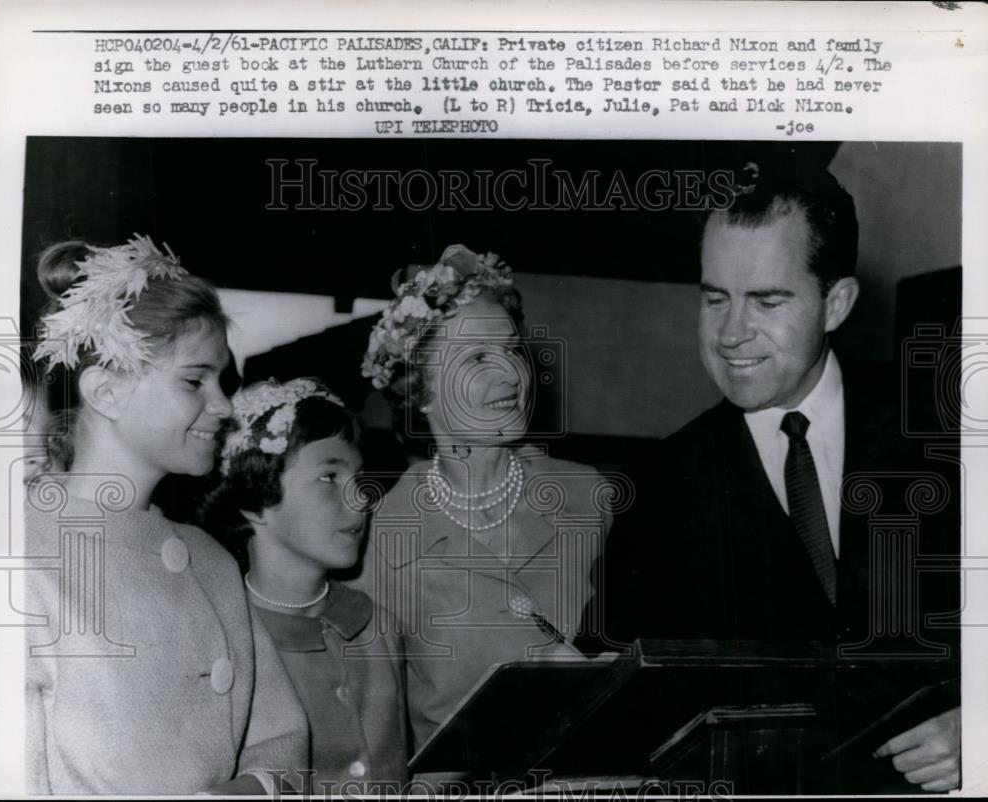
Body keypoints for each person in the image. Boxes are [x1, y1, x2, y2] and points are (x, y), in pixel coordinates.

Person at [577, 164, 961, 792]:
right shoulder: (661, 486)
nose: (731, 334)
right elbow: (613, 680)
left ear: (836, 303)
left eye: (768, 300)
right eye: (715, 297)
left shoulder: (947, 436)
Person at [23, 236, 308, 794]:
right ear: (106, 392)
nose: (224, 405)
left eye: (223, 380)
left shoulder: (210, 561)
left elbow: (280, 741)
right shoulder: (23, 557)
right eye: (194, 380)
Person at [355, 244, 613, 752]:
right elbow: (376, 735)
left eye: (513, 350)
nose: (512, 376)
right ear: (420, 390)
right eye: (476, 358)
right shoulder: (379, 541)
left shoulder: (591, 497)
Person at [199, 377, 409, 793]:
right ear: (256, 499)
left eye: (358, 477)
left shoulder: (376, 625)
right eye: (330, 478)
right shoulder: (223, 638)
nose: (361, 499)